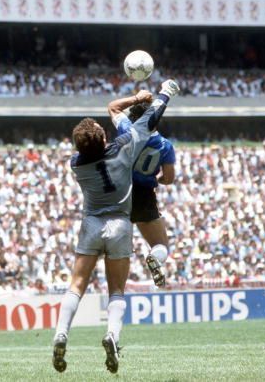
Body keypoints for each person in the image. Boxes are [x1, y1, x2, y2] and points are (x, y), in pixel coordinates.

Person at [52, 80, 180, 374]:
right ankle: (112, 335)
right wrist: (164, 92)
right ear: (102, 138)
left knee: (76, 285)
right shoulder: (123, 148)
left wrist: (136, 98)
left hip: (91, 224)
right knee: (117, 291)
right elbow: (151, 118)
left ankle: (61, 333)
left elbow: (103, 132)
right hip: (120, 225)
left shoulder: (76, 165)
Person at [109, 99, 176, 287]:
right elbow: (169, 178)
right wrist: (157, 179)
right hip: (144, 195)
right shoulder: (165, 145)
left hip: (119, 191)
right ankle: (155, 258)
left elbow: (113, 107)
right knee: (160, 245)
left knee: (115, 246)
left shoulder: (127, 131)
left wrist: (137, 97)